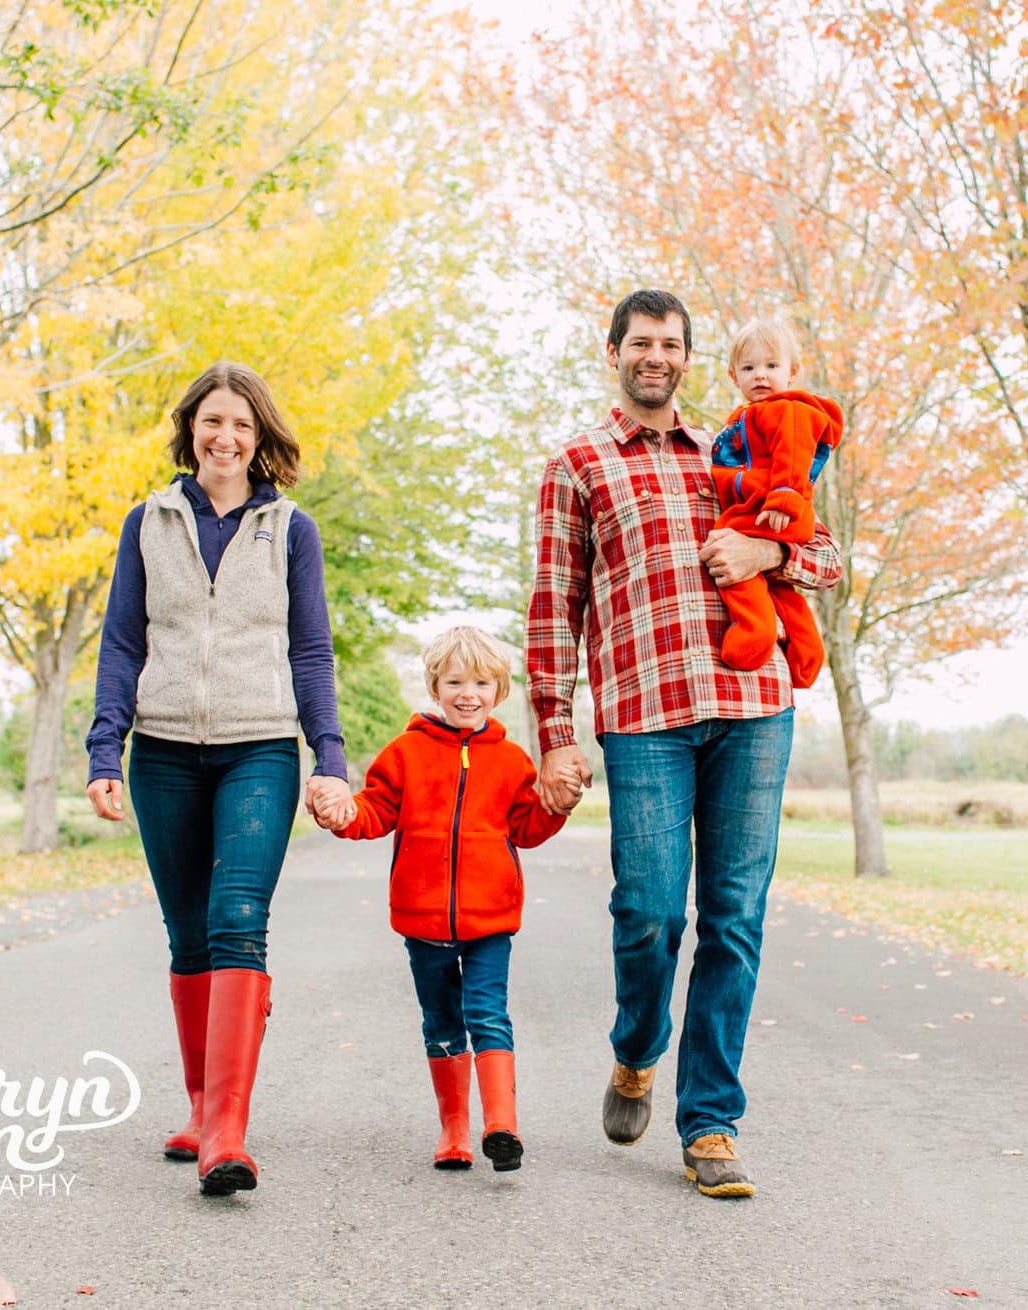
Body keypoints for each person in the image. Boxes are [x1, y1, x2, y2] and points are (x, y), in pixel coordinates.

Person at [525, 290, 843, 1199]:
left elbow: (826, 559)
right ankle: (635, 1052)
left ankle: (710, 1124)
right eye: (640, 342)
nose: (655, 355)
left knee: (734, 919)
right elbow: (555, 611)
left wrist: (767, 558)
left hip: (753, 707)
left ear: (690, 358)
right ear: (615, 351)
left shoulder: (739, 447)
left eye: (671, 343)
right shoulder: (578, 465)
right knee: (652, 913)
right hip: (643, 717)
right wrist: (555, 737)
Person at [84, 360, 353, 1198]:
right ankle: (203, 1108)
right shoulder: (148, 522)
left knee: (240, 918)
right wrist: (104, 750)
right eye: (212, 422)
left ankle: (226, 1135)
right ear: (191, 431)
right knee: (191, 934)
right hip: (162, 750)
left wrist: (329, 755)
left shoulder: (289, 530)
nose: (226, 437)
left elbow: (310, 649)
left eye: (242, 424)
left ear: (260, 437)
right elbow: (123, 643)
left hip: (258, 748)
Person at [314, 626, 564, 1173]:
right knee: (442, 1020)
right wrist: (342, 813)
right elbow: (374, 811)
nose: (467, 692)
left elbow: (525, 827)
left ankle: (502, 1125)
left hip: (490, 919)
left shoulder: (512, 760)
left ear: (498, 690)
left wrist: (556, 805)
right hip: (422, 918)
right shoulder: (405, 752)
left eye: (481, 682)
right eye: (454, 681)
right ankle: (454, 1130)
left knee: (489, 1014)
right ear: (435, 686)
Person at [709, 318, 843, 686]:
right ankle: (807, 651)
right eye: (749, 368)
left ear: (793, 372)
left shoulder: (789, 409)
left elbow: (794, 453)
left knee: (735, 569)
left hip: (770, 514)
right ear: (734, 377)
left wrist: (784, 498)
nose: (761, 376)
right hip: (768, 513)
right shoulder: (745, 418)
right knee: (782, 591)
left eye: (771, 366)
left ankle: (754, 634)